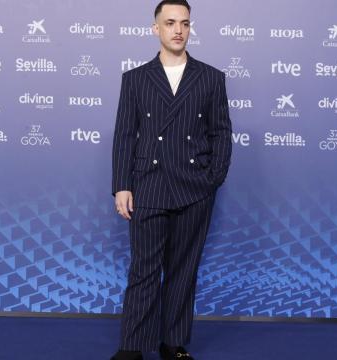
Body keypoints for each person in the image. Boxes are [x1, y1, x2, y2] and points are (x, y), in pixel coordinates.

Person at [110, 1, 232, 359]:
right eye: (170, 23)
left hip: (194, 188)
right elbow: (124, 135)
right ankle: (132, 347)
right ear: (156, 28)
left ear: (190, 27)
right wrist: (122, 185)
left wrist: (213, 179)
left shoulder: (211, 77)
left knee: (183, 270)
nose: (178, 29)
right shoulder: (135, 79)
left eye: (184, 23)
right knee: (144, 271)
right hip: (148, 185)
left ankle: (172, 343)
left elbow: (221, 133)